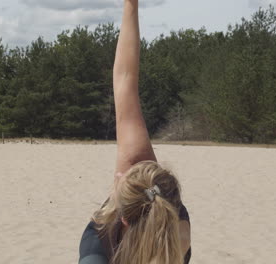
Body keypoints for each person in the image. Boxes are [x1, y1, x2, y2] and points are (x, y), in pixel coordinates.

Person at [78, 0, 191, 263]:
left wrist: (130, 5)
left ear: (124, 220)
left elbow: (125, 79)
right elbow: (125, 79)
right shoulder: (179, 237)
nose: (121, 173)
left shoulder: (98, 251)